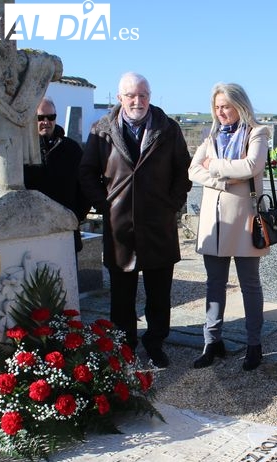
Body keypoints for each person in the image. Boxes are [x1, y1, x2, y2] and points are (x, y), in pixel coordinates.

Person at [79, 72, 192, 368]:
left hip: (159, 224)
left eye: (143, 95)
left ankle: (155, 343)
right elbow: (86, 172)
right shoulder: (101, 131)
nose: (137, 101)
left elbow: (183, 171)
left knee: (158, 295)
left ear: (150, 97)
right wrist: (105, 206)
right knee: (122, 297)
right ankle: (124, 345)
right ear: (119, 98)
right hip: (120, 228)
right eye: (131, 95)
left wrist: (173, 206)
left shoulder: (168, 129)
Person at [188, 83, 270, 371]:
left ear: (240, 104)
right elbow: (192, 169)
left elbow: (250, 166)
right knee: (214, 284)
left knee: (249, 285)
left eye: (227, 105)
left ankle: (254, 344)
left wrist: (215, 166)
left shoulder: (257, 132)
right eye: (218, 106)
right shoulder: (210, 136)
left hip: (245, 220)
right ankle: (212, 341)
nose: (222, 112)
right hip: (214, 222)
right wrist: (222, 178)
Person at [24, 96, 89, 252]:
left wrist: (75, 216)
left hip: (66, 229)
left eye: (51, 117)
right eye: (40, 117)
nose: (46, 121)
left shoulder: (71, 149)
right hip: (34, 232)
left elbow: (85, 186)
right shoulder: (23, 150)